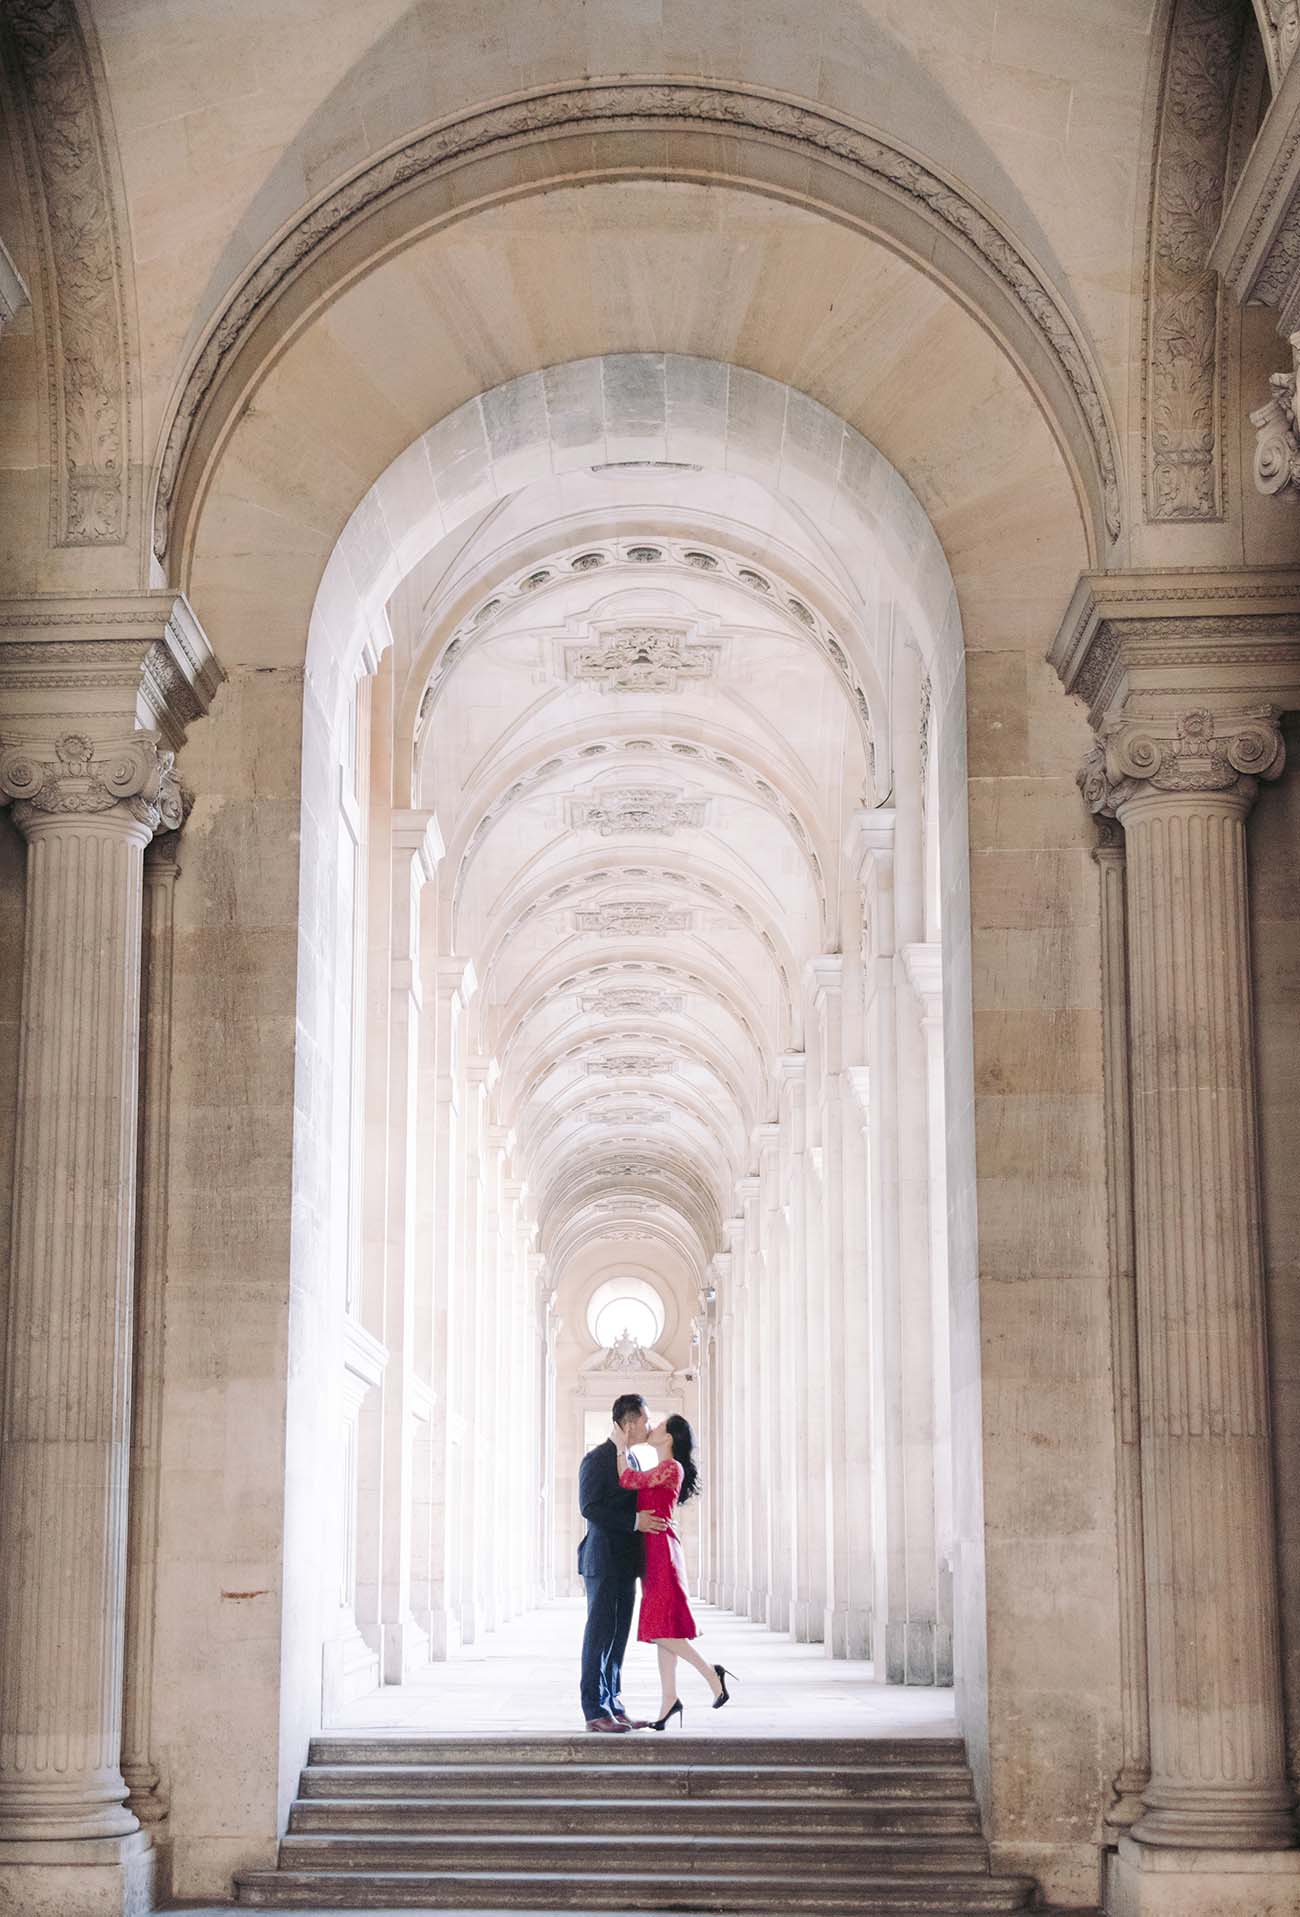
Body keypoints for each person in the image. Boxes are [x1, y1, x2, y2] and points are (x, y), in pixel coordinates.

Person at [614, 1412, 737, 1730]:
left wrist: (618, 1447)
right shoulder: (662, 1467)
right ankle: (669, 1700)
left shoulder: (672, 1467)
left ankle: (712, 1673)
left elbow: (628, 1481)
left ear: (668, 1437)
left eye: (659, 1426)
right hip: (655, 1550)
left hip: (663, 1553)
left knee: (663, 1629)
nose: (652, 1427)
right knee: (662, 1628)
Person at [577, 1393, 669, 1732]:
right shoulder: (597, 1459)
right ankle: (594, 1711)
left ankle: (613, 1704)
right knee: (599, 1636)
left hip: (626, 1563)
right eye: (645, 1419)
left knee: (617, 1638)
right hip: (602, 1561)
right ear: (628, 1423)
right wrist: (634, 1522)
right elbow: (589, 1507)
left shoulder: (631, 1459)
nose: (648, 1424)